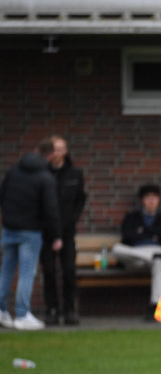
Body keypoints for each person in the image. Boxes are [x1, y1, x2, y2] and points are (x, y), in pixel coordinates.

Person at [0, 139, 61, 330]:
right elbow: (51, 209)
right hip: (30, 231)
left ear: (35, 150)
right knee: (27, 272)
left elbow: (2, 196)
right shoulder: (45, 177)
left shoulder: (13, 171)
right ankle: (22, 314)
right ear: (51, 155)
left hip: (9, 228)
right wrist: (56, 235)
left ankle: (1, 310)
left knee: (6, 270)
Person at [40, 135, 87, 326]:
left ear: (65, 151)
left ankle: (69, 310)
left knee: (69, 271)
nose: (57, 153)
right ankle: (51, 310)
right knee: (49, 271)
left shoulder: (74, 174)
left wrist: (72, 219)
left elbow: (80, 200)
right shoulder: (43, 174)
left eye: (61, 149)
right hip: (46, 232)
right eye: (55, 149)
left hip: (67, 231)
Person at [113, 184, 161, 319]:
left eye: (154, 197)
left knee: (159, 262)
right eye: (148, 197)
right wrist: (155, 234)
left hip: (157, 253)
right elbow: (128, 236)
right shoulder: (132, 217)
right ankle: (152, 257)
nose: (151, 201)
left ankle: (155, 305)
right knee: (116, 249)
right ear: (142, 200)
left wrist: (145, 231)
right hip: (135, 256)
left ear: (159, 200)